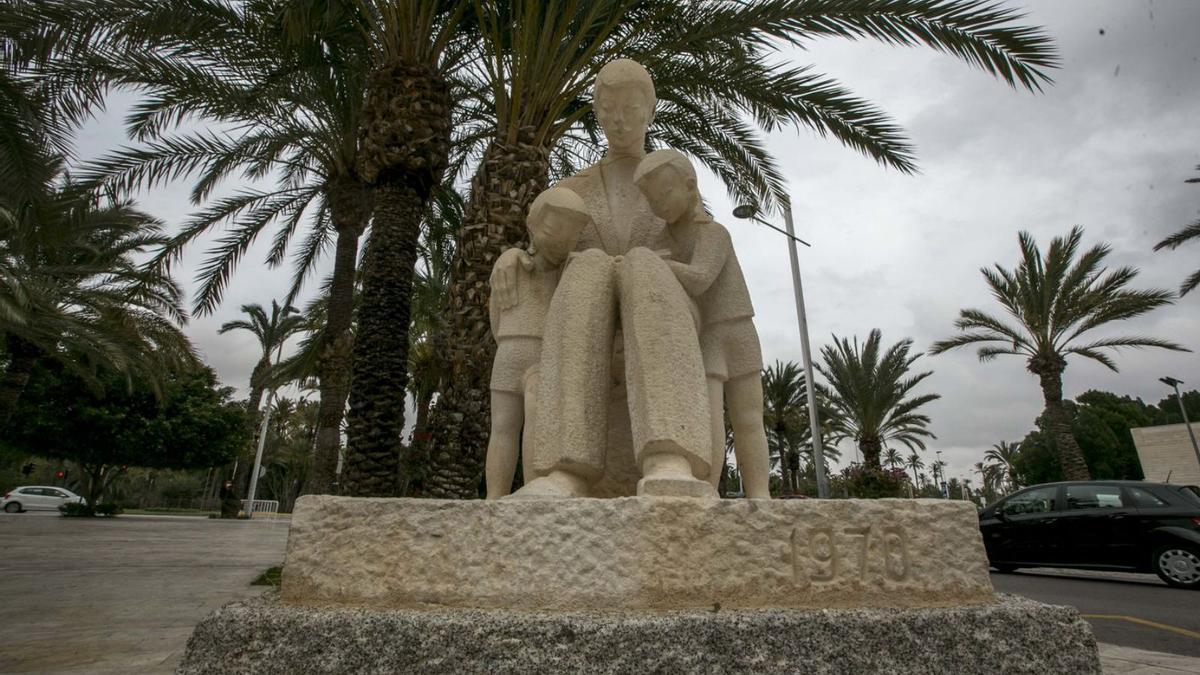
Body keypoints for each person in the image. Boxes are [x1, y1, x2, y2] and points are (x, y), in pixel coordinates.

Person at [493, 59, 713, 499]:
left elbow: (705, 251)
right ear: (596, 110)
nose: (619, 119)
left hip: (661, 305)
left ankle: (669, 456)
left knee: (641, 264)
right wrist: (514, 254)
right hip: (586, 311)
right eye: (608, 107)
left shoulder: (673, 181)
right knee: (590, 265)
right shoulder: (572, 190)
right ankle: (565, 470)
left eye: (630, 107)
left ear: (651, 109)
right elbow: (547, 253)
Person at [633, 149, 770, 498]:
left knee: (749, 420)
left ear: (690, 185)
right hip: (706, 337)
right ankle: (705, 489)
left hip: (737, 329)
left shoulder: (714, 233)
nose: (658, 206)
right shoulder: (663, 240)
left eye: (664, 194)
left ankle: (759, 495)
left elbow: (699, 278)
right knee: (708, 421)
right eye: (651, 200)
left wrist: (657, 264)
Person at [484, 187, 591, 499]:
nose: (561, 240)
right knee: (503, 426)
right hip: (510, 351)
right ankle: (495, 496)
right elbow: (496, 315)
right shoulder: (512, 265)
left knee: (536, 414)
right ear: (534, 225)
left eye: (571, 235)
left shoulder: (568, 271)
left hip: (540, 355)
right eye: (555, 230)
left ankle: (533, 489)